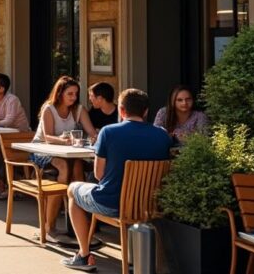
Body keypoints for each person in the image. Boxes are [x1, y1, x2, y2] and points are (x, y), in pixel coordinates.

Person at [63, 89, 172, 271]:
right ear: (146, 111)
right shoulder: (162, 135)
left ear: (121, 111)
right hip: (149, 205)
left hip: (112, 204)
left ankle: (83, 255)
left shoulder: (109, 132)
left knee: (73, 189)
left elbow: (99, 175)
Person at [30, 77, 99, 238]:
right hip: (42, 149)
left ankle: (79, 228)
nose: (74, 97)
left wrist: (95, 137)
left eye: (76, 94)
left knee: (77, 169)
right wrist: (64, 140)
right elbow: (47, 137)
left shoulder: (79, 110)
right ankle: (50, 224)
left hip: (68, 151)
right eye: (70, 94)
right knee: (64, 167)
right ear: (60, 93)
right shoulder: (49, 108)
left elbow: (91, 132)